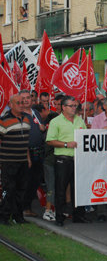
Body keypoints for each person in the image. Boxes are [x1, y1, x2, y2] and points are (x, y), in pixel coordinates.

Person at [46, 96, 90, 226]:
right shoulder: (56, 122)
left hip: (78, 159)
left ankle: (78, 215)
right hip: (63, 159)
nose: (73, 108)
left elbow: (86, 136)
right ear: (63, 107)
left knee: (78, 189)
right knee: (61, 189)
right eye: (71, 106)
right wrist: (66, 144)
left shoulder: (79, 121)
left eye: (75, 106)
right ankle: (59, 217)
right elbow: (50, 140)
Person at [0, 95, 31, 225]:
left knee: (21, 189)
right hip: (8, 161)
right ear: (11, 105)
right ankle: (4, 217)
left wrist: (28, 158)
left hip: (23, 160)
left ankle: (18, 216)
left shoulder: (27, 119)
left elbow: (26, 142)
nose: (22, 105)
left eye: (22, 103)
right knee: (9, 189)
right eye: (18, 103)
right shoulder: (4, 121)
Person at [19, 90, 46, 218]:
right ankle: (22, 208)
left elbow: (39, 128)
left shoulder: (35, 112)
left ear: (32, 99)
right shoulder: (19, 114)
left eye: (28, 98)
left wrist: (43, 128)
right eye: (23, 98)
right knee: (26, 180)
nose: (26, 100)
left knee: (35, 180)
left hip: (38, 150)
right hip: (26, 151)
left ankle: (27, 206)